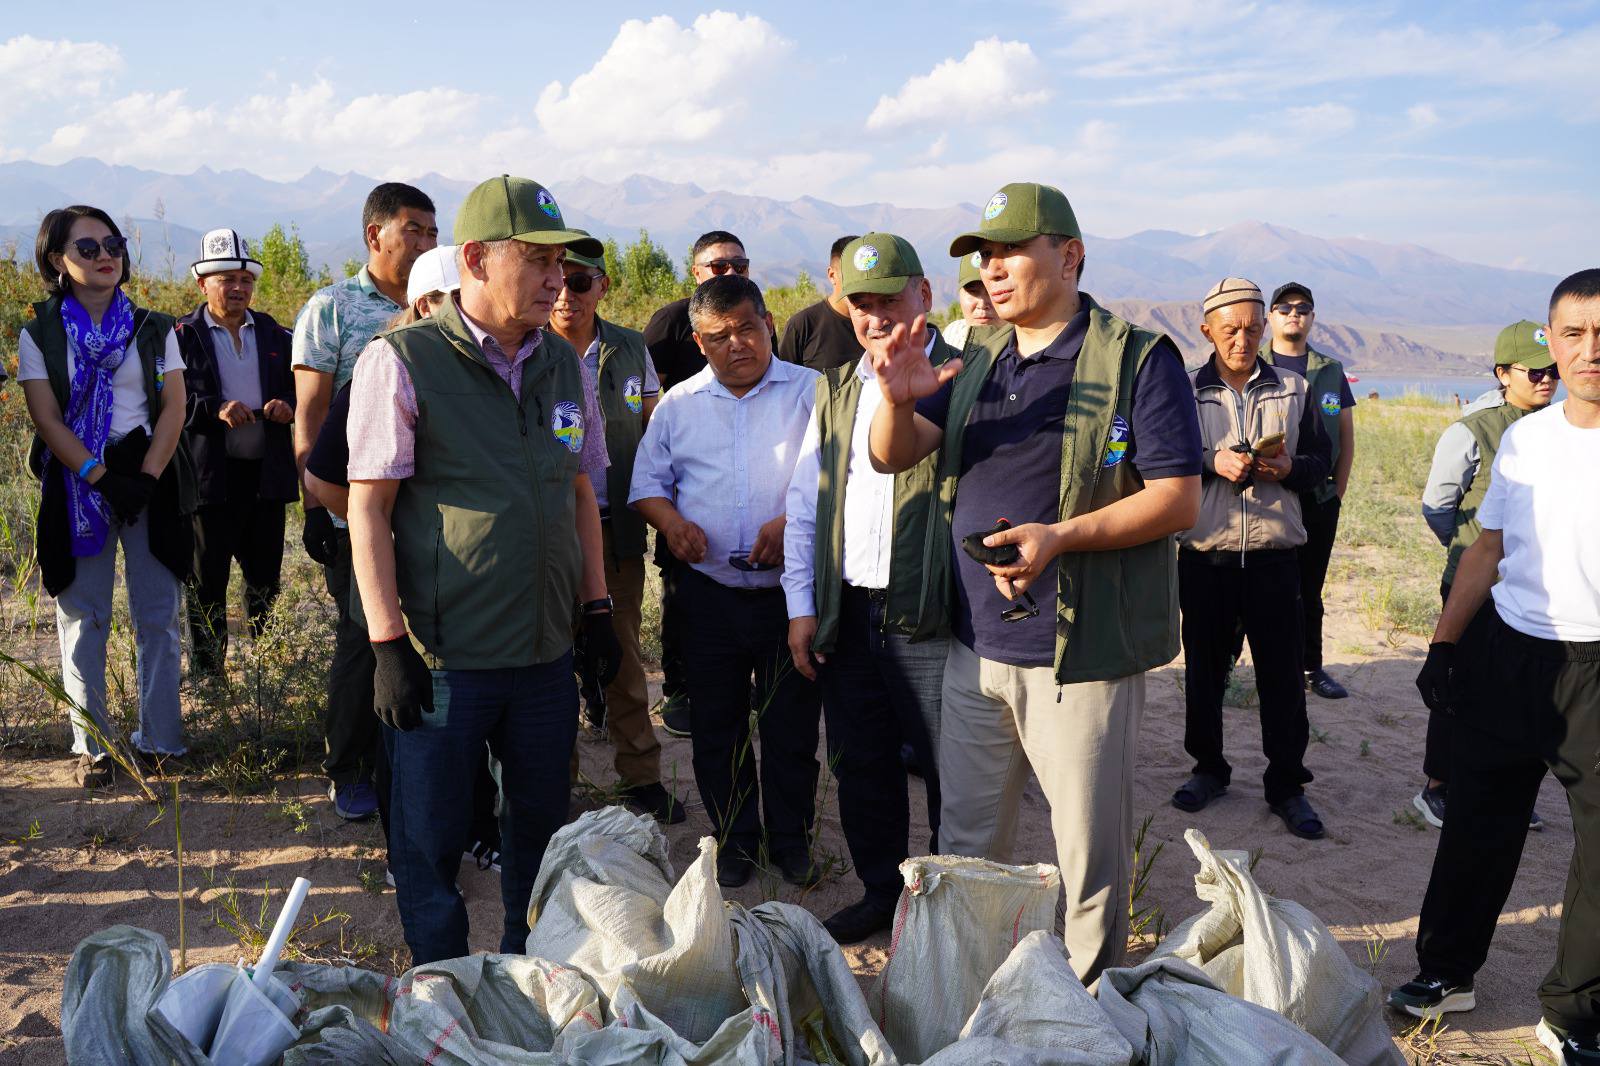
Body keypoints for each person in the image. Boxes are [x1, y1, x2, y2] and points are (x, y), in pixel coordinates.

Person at [868, 182, 1202, 984]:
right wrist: (893, 397)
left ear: (1070, 255)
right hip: (975, 649)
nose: (992, 269)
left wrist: (1060, 538)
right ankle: (972, 990)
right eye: (983, 256)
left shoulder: (1136, 360)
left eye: (1010, 251)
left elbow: (1177, 498)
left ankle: (1086, 1001)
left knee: (1088, 856)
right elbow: (893, 453)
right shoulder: (975, 357)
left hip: (1079, 652)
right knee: (968, 848)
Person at [346, 175, 617, 965]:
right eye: (534, 261)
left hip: (541, 658)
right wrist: (387, 644)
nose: (555, 281)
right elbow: (367, 508)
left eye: (560, 265)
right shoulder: (402, 361)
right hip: (443, 661)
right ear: (473, 259)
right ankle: (445, 990)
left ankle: (525, 978)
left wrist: (596, 611)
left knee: (538, 834)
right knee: (428, 849)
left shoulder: (562, 367)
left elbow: (579, 491)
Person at [1390, 269, 1600, 1066]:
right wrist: (1445, 645)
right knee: (1476, 827)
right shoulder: (1526, 437)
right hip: (1509, 651)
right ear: (1552, 340)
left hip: (1598, 667)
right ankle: (1445, 975)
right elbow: (1488, 547)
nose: (1588, 351)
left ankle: (1574, 1015)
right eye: (1573, 334)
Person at [306, 245, 504, 880]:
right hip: (406, 582)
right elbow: (326, 481)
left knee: (470, 714)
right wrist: (388, 529)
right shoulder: (382, 370)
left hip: (468, 592)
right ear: (427, 305)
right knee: (410, 718)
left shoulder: (483, 372)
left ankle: (478, 830)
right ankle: (409, 852)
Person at [630, 274, 823, 890]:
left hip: (789, 597)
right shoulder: (678, 405)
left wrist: (790, 523)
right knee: (717, 724)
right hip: (706, 595)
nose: (736, 343)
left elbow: (836, 482)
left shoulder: (811, 392)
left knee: (790, 726)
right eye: (719, 336)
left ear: (768, 322)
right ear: (699, 341)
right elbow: (646, 487)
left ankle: (791, 841)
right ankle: (735, 839)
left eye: (747, 327)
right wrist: (674, 523)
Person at [783, 233, 951, 942]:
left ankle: (946, 904)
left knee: (951, 774)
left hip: (932, 616)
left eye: (890, 300)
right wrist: (801, 606)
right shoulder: (834, 389)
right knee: (861, 765)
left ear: (925, 296)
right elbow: (805, 502)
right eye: (861, 303)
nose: (876, 317)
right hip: (850, 613)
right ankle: (882, 891)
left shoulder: (961, 375)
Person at [17, 205, 195, 787]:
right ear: (56, 260)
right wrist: (100, 477)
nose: (105, 256)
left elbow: (174, 408)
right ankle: (96, 747)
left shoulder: (154, 327)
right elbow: (46, 418)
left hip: (150, 473)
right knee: (83, 616)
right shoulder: (39, 330)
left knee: (158, 616)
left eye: (112, 243)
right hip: (79, 483)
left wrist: (143, 477)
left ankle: (162, 741)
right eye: (88, 247)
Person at [293, 182, 438, 822]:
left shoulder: (441, 304)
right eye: (414, 229)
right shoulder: (332, 309)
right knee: (363, 639)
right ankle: (347, 768)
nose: (426, 242)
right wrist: (321, 509)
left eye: (433, 232)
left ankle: (415, 764)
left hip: (425, 515)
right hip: (353, 507)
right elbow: (313, 415)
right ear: (374, 234)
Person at [1170, 278, 1332, 839]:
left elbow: (1320, 463)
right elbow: (1163, 461)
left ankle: (1287, 784)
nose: (1243, 339)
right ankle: (1208, 769)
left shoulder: (1295, 388)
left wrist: (1288, 469)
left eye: (1253, 327)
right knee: (1205, 674)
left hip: (1273, 558)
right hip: (1205, 557)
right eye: (1231, 328)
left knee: (1283, 677)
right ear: (1207, 330)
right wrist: (1211, 461)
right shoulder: (1185, 392)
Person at [548, 233, 687, 825]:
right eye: (556, 279)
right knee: (552, 658)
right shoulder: (528, 347)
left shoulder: (631, 348)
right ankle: (558, 782)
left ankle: (641, 777)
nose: (565, 294)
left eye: (580, 282)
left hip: (618, 529)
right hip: (550, 532)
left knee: (625, 656)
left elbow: (657, 432)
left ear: (602, 286)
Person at [1415, 319, 1558, 830]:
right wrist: (1465, 549)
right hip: (1475, 584)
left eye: (1554, 371)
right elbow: (1438, 506)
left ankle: (1506, 788)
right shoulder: (1474, 429)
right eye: (1536, 371)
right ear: (1503, 373)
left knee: (1518, 692)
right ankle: (1438, 786)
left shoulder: (1564, 427)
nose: (1547, 380)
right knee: (1457, 683)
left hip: (1532, 588)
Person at [641, 230, 762, 739]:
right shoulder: (671, 326)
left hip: (777, 570)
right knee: (681, 602)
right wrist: (671, 520)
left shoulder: (803, 390)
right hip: (691, 507)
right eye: (717, 267)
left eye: (738, 264)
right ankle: (680, 690)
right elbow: (646, 401)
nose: (729, 273)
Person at [175, 229, 296, 674]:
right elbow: (170, 404)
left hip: (264, 477)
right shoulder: (182, 336)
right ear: (202, 284)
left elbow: (297, 386)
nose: (238, 288)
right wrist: (215, 410)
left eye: (245, 280)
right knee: (207, 583)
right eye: (226, 279)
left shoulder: (274, 333)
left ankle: (268, 671)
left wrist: (289, 404)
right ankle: (209, 677)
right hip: (211, 480)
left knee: (264, 581)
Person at [1261, 282, 1355, 700]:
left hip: (1318, 498)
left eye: (1302, 308)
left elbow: (1346, 438)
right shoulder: (1254, 363)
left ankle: (1312, 668)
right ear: (1271, 317)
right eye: (1284, 308)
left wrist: (1338, 493)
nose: (1293, 314)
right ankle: (1245, 666)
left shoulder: (1330, 371)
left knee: (1309, 588)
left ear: (1313, 318)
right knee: (1258, 585)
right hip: (1265, 496)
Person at [778, 234, 863, 371]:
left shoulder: (879, 322)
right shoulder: (802, 326)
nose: (858, 283)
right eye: (850, 275)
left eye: (863, 276)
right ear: (832, 275)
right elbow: (784, 382)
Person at [941, 249, 1000, 349]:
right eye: (973, 292)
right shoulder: (953, 334)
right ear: (959, 294)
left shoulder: (1024, 343)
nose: (982, 304)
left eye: (991, 291)